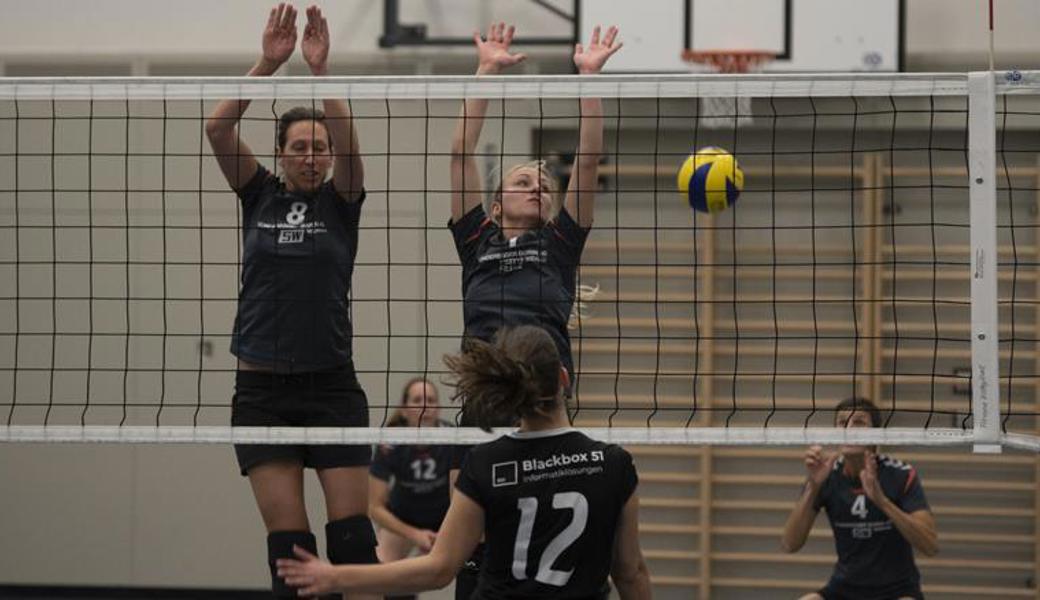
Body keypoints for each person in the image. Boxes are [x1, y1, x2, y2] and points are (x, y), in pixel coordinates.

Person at [276, 325, 652, 600]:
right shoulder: (614, 464)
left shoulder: (485, 463)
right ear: (564, 379)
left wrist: (335, 576)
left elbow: (439, 569)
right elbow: (630, 572)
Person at [205, 4, 377, 598]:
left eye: (319, 148)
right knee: (291, 552)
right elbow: (217, 129)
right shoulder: (258, 196)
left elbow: (349, 143)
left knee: (353, 539)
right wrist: (270, 63)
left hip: (331, 385)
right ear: (281, 152)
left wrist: (320, 72)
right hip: (262, 393)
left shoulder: (342, 200)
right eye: (299, 146)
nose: (310, 156)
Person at [447, 23, 621, 597]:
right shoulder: (477, 239)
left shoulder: (560, 244)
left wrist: (589, 80)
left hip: (543, 395)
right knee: (474, 542)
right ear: (495, 205)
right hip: (483, 396)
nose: (539, 188)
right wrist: (486, 72)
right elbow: (458, 151)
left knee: (535, 522)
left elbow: (589, 161)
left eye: (545, 184)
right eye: (525, 181)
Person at [781, 397, 939, 600]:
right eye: (842, 422)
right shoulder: (825, 475)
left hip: (897, 590)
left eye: (859, 422)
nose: (848, 428)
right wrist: (813, 486)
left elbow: (930, 546)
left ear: (876, 434)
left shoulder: (900, 474)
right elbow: (789, 544)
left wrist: (881, 501)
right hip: (844, 589)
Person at [369, 378, 453, 600]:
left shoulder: (453, 437)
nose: (425, 407)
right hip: (404, 521)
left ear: (439, 408)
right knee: (382, 576)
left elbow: (467, 496)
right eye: (417, 400)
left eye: (431, 400)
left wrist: (446, 534)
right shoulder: (391, 443)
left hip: (447, 521)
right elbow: (375, 508)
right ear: (404, 410)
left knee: (477, 562)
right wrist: (415, 535)